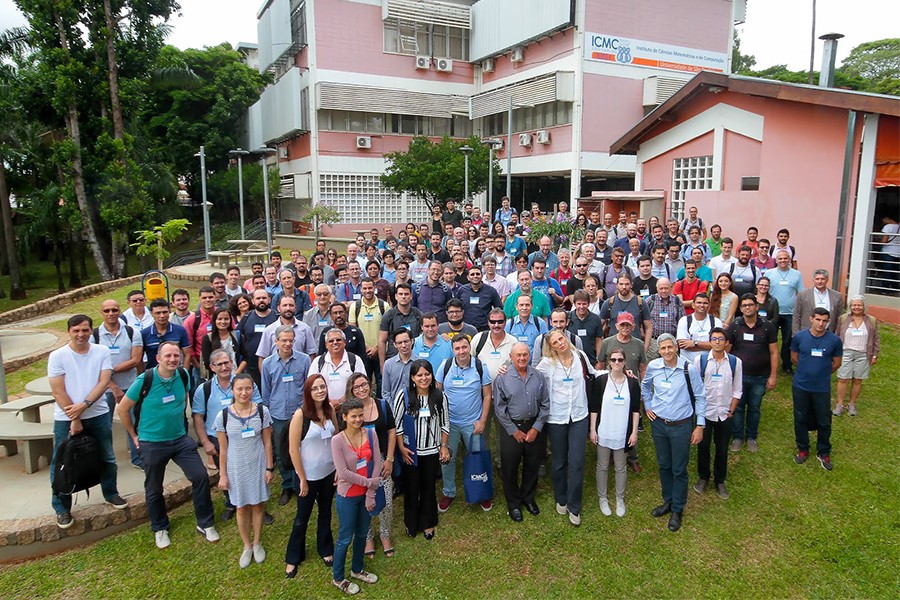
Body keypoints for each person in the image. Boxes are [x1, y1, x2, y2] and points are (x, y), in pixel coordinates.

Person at [118, 341, 219, 549]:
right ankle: (160, 527)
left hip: (180, 439)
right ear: (158, 359)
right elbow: (123, 409)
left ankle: (205, 523)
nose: (173, 359)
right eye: (168, 356)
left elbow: (182, 403)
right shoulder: (144, 380)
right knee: (154, 487)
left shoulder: (183, 375)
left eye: (176, 356)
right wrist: (134, 436)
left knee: (200, 476)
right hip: (152, 442)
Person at [48, 315, 124, 529]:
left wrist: (85, 404)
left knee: (107, 456)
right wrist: (75, 417)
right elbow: (57, 390)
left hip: (97, 413)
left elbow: (103, 382)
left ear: (91, 330)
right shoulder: (58, 356)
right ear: (69, 332)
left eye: (85, 330)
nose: (81, 334)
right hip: (66, 417)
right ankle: (62, 507)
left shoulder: (101, 352)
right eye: (76, 330)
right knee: (61, 462)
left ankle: (111, 493)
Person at [641, 333, 706, 532]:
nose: (667, 351)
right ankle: (668, 501)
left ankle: (678, 508)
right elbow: (645, 388)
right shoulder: (654, 367)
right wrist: (648, 406)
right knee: (664, 465)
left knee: (679, 468)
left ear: (676, 347)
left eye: (670, 347)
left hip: (681, 426)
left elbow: (701, 396)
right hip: (659, 424)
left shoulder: (688, 368)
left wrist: (700, 426)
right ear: (659, 350)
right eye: (663, 348)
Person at [536, 330, 599, 526]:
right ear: (551, 346)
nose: (560, 343)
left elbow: (595, 373)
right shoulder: (547, 364)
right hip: (556, 418)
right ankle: (561, 497)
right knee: (559, 461)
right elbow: (530, 375)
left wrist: (621, 372)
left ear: (566, 338)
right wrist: (507, 370)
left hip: (579, 416)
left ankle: (574, 505)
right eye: (555, 342)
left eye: (561, 338)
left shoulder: (580, 356)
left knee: (577, 461)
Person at [192, 349, 264, 520]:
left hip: (246, 438)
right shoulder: (204, 389)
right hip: (218, 440)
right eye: (220, 364)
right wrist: (205, 442)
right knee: (226, 472)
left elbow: (259, 407)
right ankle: (232, 503)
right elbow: (198, 416)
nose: (224, 367)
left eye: (227, 362)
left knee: (252, 471)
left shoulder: (245, 383)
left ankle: (256, 504)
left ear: (232, 363)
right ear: (212, 367)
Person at [215, 374, 274, 568]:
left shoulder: (261, 411)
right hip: (236, 467)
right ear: (232, 390)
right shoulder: (222, 416)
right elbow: (223, 449)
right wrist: (223, 474)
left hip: (257, 464)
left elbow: (267, 442)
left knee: (257, 505)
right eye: (239, 389)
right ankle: (246, 546)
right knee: (241, 507)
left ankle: (257, 542)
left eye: (248, 388)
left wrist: (269, 468)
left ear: (253, 389)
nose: (243, 392)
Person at [285, 375, 339, 578]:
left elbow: (336, 439)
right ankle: (293, 557)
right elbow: (293, 449)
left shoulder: (330, 410)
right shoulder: (300, 415)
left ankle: (325, 548)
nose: (320, 391)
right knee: (302, 517)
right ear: (308, 392)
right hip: (309, 476)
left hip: (329, 473)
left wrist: (338, 470)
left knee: (325, 512)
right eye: (315, 388)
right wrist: (302, 478)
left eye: (322, 387)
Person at [435, 335, 494, 512]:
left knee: (477, 458)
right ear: (453, 350)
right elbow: (437, 393)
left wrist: (482, 421)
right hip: (449, 424)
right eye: (457, 348)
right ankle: (449, 492)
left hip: (473, 423)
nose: (461, 351)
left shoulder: (479, 366)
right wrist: (440, 422)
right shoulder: (445, 366)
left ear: (470, 348)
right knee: (447, 459)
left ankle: (481, 492)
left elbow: (487, 395)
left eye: (464, 347)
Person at [329, 397, 381, 594]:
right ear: (344, 417)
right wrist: (370, 483)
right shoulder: (337, 441)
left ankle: (357, 568)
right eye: (353, 416)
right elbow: (343, 473)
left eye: (361, 416)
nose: (358, 419)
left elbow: (376, 462)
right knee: (345, 537)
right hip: (348, 496)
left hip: (366, 494)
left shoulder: (371, 433)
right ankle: (338, 577)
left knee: (362, 533)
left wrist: (370, 493)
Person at [393, 360, 450, 539]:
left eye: (427, 374)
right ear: (412, 377)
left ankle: (427, 523)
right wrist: (401, 448)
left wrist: (443, 446)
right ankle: (411, 523)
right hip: (411, 453)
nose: (424, 378)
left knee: (428, 487)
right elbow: (397, 424)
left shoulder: (440, 396)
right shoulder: (404, 396)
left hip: (431, 452)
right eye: (419, 375)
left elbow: (445, 424)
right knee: (411, 487)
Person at [493, 342, 549, 522]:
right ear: (511, 356)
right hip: (512, 427)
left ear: (529, 355)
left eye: (525, 354)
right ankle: (514, 503)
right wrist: (513, 430)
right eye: (518, 355)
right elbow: (499, 408)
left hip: (533, 426)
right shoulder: (502, 378)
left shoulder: (538, 376)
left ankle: (528, 497)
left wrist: (536, 428)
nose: (522, 358)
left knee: (532, 464)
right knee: (510, 467)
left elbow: (545, 404)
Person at [343, 373, 396, 558]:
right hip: (358, 462)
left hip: (381, 459)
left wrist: (389, 459)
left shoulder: (381, 404)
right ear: (351, 390)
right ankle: (368, 537)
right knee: (363, 499)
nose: (362, 389)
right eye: (356, 387)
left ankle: (385, 534)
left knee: (386, 500)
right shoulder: (348, 411)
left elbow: (391, 431)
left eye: (364, 384)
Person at [260, 326, 311, 506]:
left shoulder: (304, 360)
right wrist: (266, 418)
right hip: (278, 413)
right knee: (282, 452)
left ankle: (302, 480)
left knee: (302, 447)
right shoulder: (267, 364)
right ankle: (287, 485)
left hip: (299, 413)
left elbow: (308, 387)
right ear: (276, 341)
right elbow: (265, 391)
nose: (288, 343)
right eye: (284, 340)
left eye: (291, 340)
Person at [589, 347, 640, 518]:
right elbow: (594, 408)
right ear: (609, 362)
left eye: (619, 360)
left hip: (622, 432)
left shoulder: (632, 383)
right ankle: (602, 498)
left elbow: (635, 410)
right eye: (613, 360)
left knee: (620, 467)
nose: (616, 363)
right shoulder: (601, 381)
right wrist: (592, 430)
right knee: (602, 465)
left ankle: (620, 498)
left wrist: (634, 433)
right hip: (604, 430)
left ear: (625, 362)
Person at [692, 328, 742, 500]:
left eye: (721, 339)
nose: (718, 342)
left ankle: (720, 480)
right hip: (705, 412)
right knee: (703, 446)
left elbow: (737, 389)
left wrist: (732, 409)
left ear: (727, 342)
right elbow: (696, 388)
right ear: (710, 341)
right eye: (714, 339)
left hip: (724, 413)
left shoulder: (735, 362)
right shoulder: (702, 360)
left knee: (722, 449)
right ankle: (703, 477)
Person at [791, 308, 842, 470]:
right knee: (800, 417)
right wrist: (806, 370)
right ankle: (803, 448)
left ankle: (823, 451)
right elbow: (794, 357)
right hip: (801, 385)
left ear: (828, 322)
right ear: (811, 319)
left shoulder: (834, 340)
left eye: (824, 321)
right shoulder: (800, 337)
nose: (821, 324)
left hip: (821, 388)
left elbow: (837, 363)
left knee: (824, 420)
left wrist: (822, 373)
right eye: (818, 320)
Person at [727, 294, 778, 453]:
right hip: (738, 376)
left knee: (754, 407)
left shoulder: (767, 326)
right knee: (738, 407)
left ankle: (751, 437)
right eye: (744, 305)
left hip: (760, 376)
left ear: (756, 306)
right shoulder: (735, 325)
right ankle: (737, 437)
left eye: (750, 304)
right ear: (740, 309)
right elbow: (727, 349)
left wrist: (773, 376)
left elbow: (774, 352)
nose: (747, 307)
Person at [96, 300, 143, 469]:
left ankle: (138, 457)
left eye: (114, 309)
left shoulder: (132, 332)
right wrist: (112, 385)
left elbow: (135, 360)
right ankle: (105, 460)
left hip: (131, 385)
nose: (111, 313)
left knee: (133, 422)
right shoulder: (95, 336)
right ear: (101, 312)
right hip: (104, 388)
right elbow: (95, 367)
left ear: (119, 311)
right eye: (107, 310)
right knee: (103, 425)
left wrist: (109, 370)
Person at [833, 296, 880, 417]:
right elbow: (837, 336)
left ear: (864, 306)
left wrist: (875, 355)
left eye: (859, 305)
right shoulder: (843, 319)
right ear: (850, 306)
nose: (857, 307)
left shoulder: (872, 320)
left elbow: (876, 339)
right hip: (845, 353)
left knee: (858, 380)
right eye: (854, 305)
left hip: (863, 354)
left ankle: (852, 404)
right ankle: (839, 404)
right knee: (843, 378)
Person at [309, 328, 368, 410]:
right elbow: (311, 386)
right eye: (331, 341)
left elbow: (361, 385)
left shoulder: (355, 360)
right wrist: (328, 402)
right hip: (324, 408)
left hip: (350, 409)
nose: (335, 342)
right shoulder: (318, 362)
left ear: (345, 342)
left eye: (338, 340)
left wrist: (340, 401)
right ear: (326, 345)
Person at [768, 250, 805, 374]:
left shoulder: (797, 274)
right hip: (772, 313)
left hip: (790, 313)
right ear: (776, 260)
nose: (783, 261)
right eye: (780, 259)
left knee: (788, 340)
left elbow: (801, 293)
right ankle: (768, 362)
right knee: (769, 339)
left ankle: (786, 364)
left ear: (789, 260)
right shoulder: (769, 273)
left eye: (785, 258)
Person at [141, 299, 191, 369]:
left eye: (165, 312)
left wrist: (184, 374)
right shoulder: (144, 333)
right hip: (153, 375)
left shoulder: (180, 330)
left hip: (175, 373)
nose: (162, 316)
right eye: (158, 313)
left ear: (169, 312)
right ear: (151, 313)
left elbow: (187, 354)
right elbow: (139, 358)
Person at [792, 269, 844, 334]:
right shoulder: (803, 295)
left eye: (822, 279)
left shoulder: (837, 296)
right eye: (817, 279)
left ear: (827, 280)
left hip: (829, 332)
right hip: (807, 332)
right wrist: (796, 334)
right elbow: (796, 315)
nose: (820, 281)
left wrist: (837, 334)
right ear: (813, 280)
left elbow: (840, 317)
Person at [201, 308, 248, 377]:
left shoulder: (237, 335)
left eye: (226, 319)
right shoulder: (208, 338)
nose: (223, 322)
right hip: (217, 377)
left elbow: (246, 357)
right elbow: (207, 362)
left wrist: (237, 372)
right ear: (214, 320)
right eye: (219, 319)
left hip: (236, 376)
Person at [646, 278, 685, 360]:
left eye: (666, 288)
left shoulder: (677, 301)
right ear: (657, 288)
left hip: (671, 341)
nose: (664, 291)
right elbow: (643, 319)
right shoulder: (650, 300)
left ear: (671, 288)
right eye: (661, 288)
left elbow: (682, 322)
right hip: (654, 341)